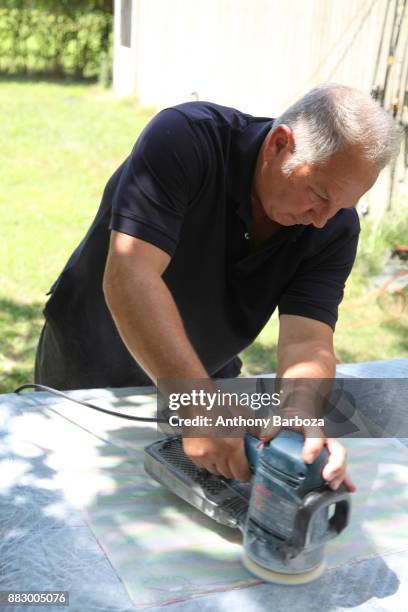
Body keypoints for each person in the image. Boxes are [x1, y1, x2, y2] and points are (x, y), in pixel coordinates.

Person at [34, 83, 401, 490]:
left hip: (203, 373)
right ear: (279, 144)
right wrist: (199, 407)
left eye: (341, 207)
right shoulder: (185, 139)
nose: (322, 220)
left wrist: (299, 409)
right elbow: (130, 276)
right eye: (319, 195)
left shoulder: (333, 226)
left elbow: (308, 342)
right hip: (89, 360)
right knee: (70, 493)